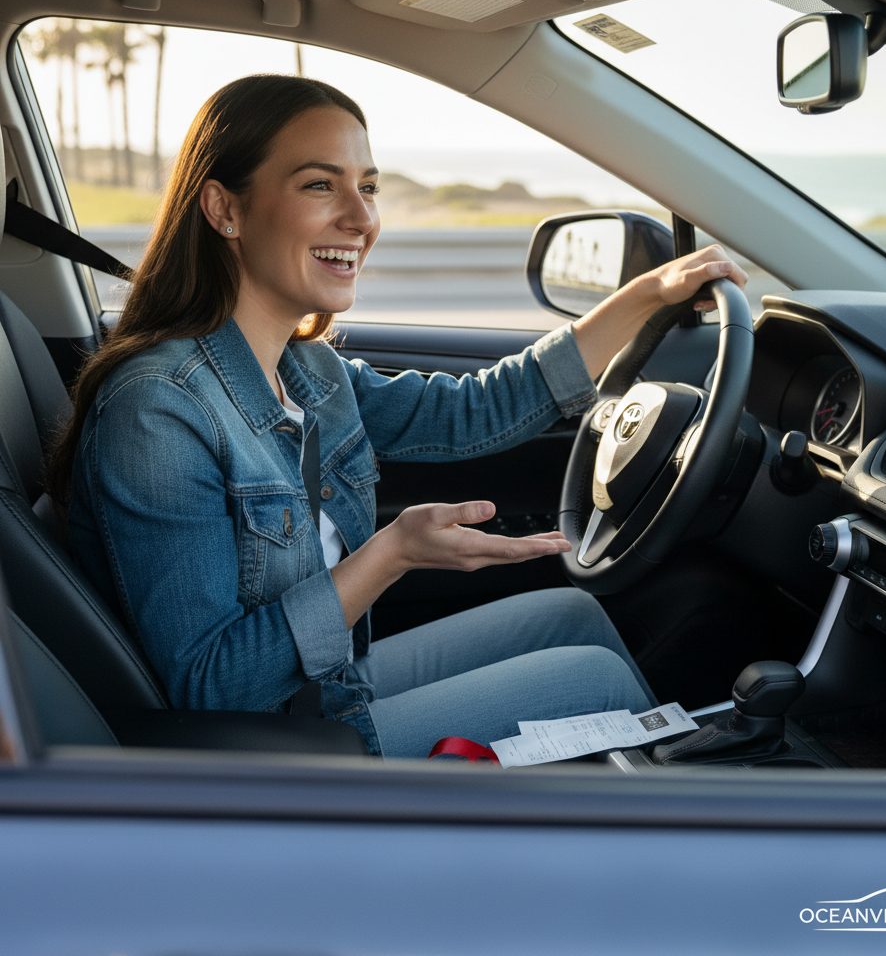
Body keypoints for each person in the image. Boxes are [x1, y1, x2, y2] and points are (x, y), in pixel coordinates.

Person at [51, 75, 747, 758]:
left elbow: (476, 412)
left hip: (329, 685)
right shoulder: (158, 412)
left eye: (369, 187)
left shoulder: (306, 368)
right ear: (224, 210)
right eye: (320, 185)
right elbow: (211, 688)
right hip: (281, 743)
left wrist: (651, 294)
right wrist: (392, 555)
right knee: (592, 681)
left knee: (573, 615)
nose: (362, 218)